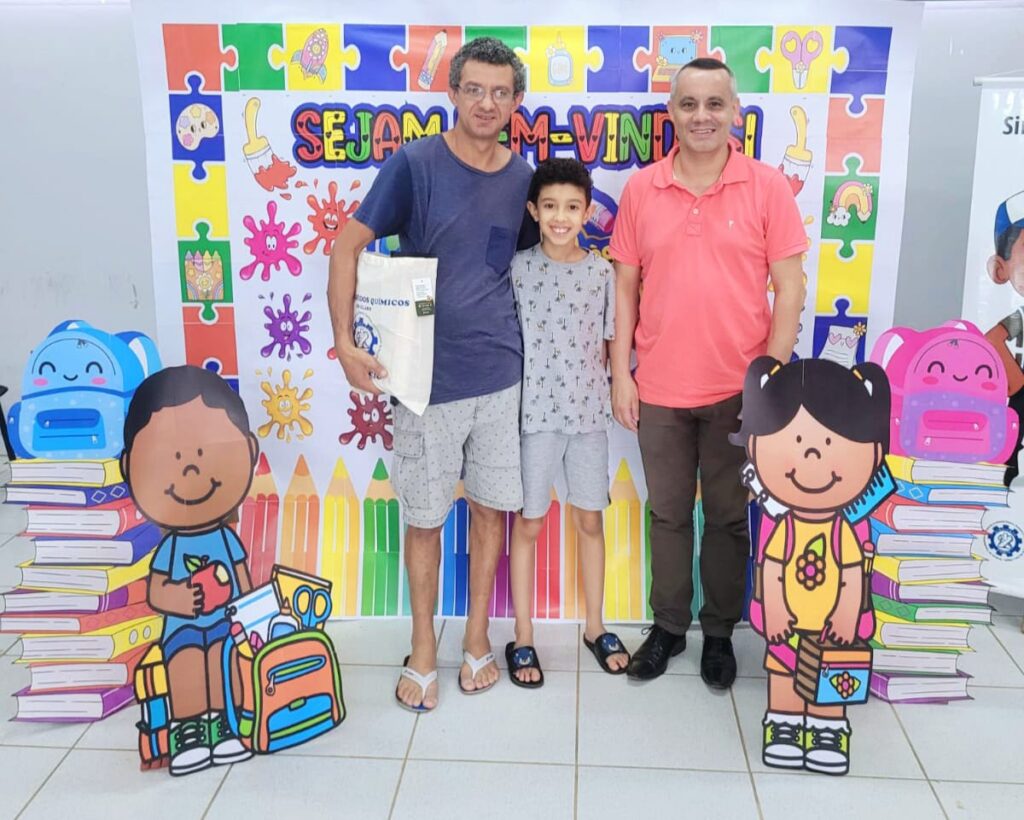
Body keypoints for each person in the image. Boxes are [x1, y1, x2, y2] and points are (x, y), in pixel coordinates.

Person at [327, 37, 533, 712]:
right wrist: (344, 342)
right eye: (474, 89)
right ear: (452, 92)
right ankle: (422, 647)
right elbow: (347, 245)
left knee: (491, 510)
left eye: (500, 92)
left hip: (501, 379)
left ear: (516, 101)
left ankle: (475, 638)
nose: (486, 103)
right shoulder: (414, 165)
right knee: (423, 518)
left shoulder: (523, 179)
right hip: (423, 382)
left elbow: (531, 268)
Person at [608, 57, 807, 688]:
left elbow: (791, 288)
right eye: (689, 104)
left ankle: (719, 634)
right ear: (671, 112)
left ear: (734, 112)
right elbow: (625, 287)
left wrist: (770, 380)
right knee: (668, 515)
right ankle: (668, 627)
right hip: (659, 389)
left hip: (738, 392)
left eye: (715, 104)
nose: (702, 116)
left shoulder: (767, 187)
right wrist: (621, 373)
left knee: (725, 518)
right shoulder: (642, 189)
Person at [505, 159, 630, 687]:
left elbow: (606, 345)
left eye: (572, 207)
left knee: (590, 521)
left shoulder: (602, 274)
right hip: (534, 417)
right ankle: (523, 635)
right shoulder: (517, 270)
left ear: (586, 212)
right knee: (529, 524)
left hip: (587, 418)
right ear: (533, 211)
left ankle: (595, 626)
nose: (561, 217)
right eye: (551, 206)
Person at [733, 356, 890, 775]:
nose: (812, 457)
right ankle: (784, 725)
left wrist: (846, 614)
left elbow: (852, 575)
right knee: (785, 673)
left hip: (832, 629)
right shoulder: (784, 526)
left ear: (874, 452)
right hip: (787, 624)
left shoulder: (843, 530)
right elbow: (771, 567)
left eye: (830, 444)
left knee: (831, 679)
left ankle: (827, 729)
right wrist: (775, 610)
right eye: (798, 441)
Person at [121, 365, 258, 776]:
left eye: (202, 454)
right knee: (184, 665)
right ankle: (189, 731)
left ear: (250, 451)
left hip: (226, 626)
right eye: (175, 457)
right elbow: (157, 589)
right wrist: (179, 598)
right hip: (181, 629)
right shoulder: (172, 547)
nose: (190, 470)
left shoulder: (228, 540)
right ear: (130, 467)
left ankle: (224, 725)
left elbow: (244, 582)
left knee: (223, 663)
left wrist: (252, 615)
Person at [982, 191, 1024, 484]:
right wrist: (1017, 380)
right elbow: (992, 339)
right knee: (1015, 430)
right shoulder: (1019, 317)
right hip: (1022, 393)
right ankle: (1007, 474)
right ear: (1000, 269)